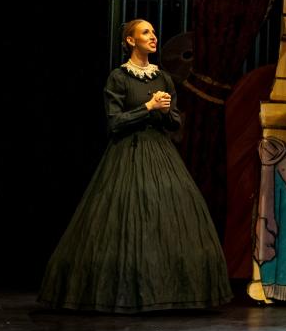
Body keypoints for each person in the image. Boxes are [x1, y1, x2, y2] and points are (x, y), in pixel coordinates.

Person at [38, 19, 232, 313]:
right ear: (130, 41)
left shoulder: (163, 78)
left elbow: (175, 122)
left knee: (172, 219)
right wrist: (148, 108)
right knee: (123, 221)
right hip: (127, 152)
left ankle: (173, 292)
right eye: (145, 32)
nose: (153, 37)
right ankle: (119, 293)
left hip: (160, 151)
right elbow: (114, 123)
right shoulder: (119, 78)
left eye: (153, 32)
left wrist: (166, 111)